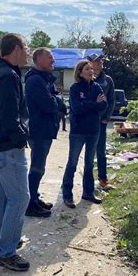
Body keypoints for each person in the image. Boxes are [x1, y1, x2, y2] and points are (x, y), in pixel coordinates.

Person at [0, 33, 31, 271]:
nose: (28, 51)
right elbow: (9, 117)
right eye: (26, 47)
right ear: (15, 49)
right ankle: (6, 251)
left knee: (3, 195)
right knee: (21, 197)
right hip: (7, 146)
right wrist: (21, 138)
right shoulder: (7, 75)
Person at [61, 60, 107, 208]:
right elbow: (76, 108)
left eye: (92, 69)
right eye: (87, 69)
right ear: (80, 72)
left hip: (94, 130)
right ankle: (67, 194)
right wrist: (94, 103)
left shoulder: (97, 86)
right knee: (72, 162)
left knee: (89, 163)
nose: (91, 71)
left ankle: (88, 193)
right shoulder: (75, 88)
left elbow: (104, 105)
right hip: (78, 130)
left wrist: (87, 103)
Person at [25, 47, 59, 218]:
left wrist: (55, 100)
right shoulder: (36, 80)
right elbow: (50, 105)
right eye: (49, 57)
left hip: (44, 129)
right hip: (39, 130)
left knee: (39, 167)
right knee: (37, 168)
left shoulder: (44, 79)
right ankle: (30, 205)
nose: (53, 59)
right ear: (38, 60)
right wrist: (57, 101)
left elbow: (54, 102)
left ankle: (34, 197)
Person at [87, 53, 115, 188]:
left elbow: (112, 100)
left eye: (101, 61)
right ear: (90, 63)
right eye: (96, 61)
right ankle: (85, 178)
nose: (100, 63)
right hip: (86, 121)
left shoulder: (107, 80)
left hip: (101, 122)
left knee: (101, 151)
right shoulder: (85, 78)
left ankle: (103, 179)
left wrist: (107, 118)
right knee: (86, 151)